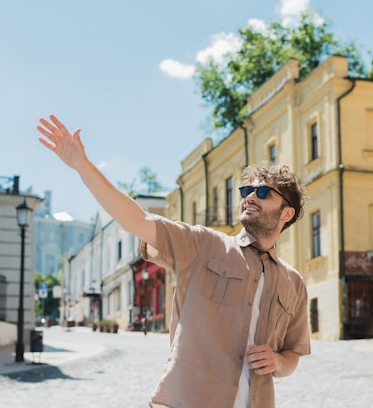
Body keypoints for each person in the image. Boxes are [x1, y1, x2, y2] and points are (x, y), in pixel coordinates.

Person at [37, 114, 310, 408]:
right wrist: (82, 166)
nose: (250, 197)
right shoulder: (203, 245)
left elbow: (292, 356)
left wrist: (277, 361)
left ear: (286, 213)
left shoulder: (294, 283)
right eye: (246, 190)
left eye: (264, 192)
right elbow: (137, 219)